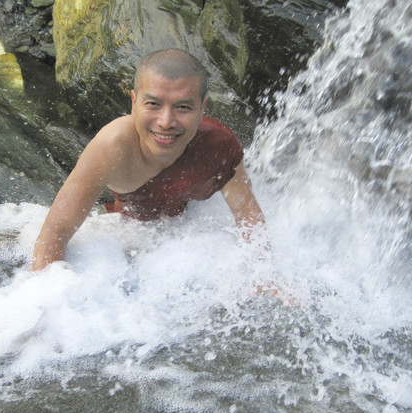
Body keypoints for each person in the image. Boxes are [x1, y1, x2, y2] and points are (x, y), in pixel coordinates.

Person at [32, 48, 267, 271]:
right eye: (153, 104)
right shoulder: (113, 145)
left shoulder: (218, 144)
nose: (166, 121)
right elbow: (56, 232)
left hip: (188, 239)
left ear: (202, 108)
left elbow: (246, 210)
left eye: (183, 107)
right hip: (128, 241)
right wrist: (48, 300)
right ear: (133, 102)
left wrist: (264, 275)